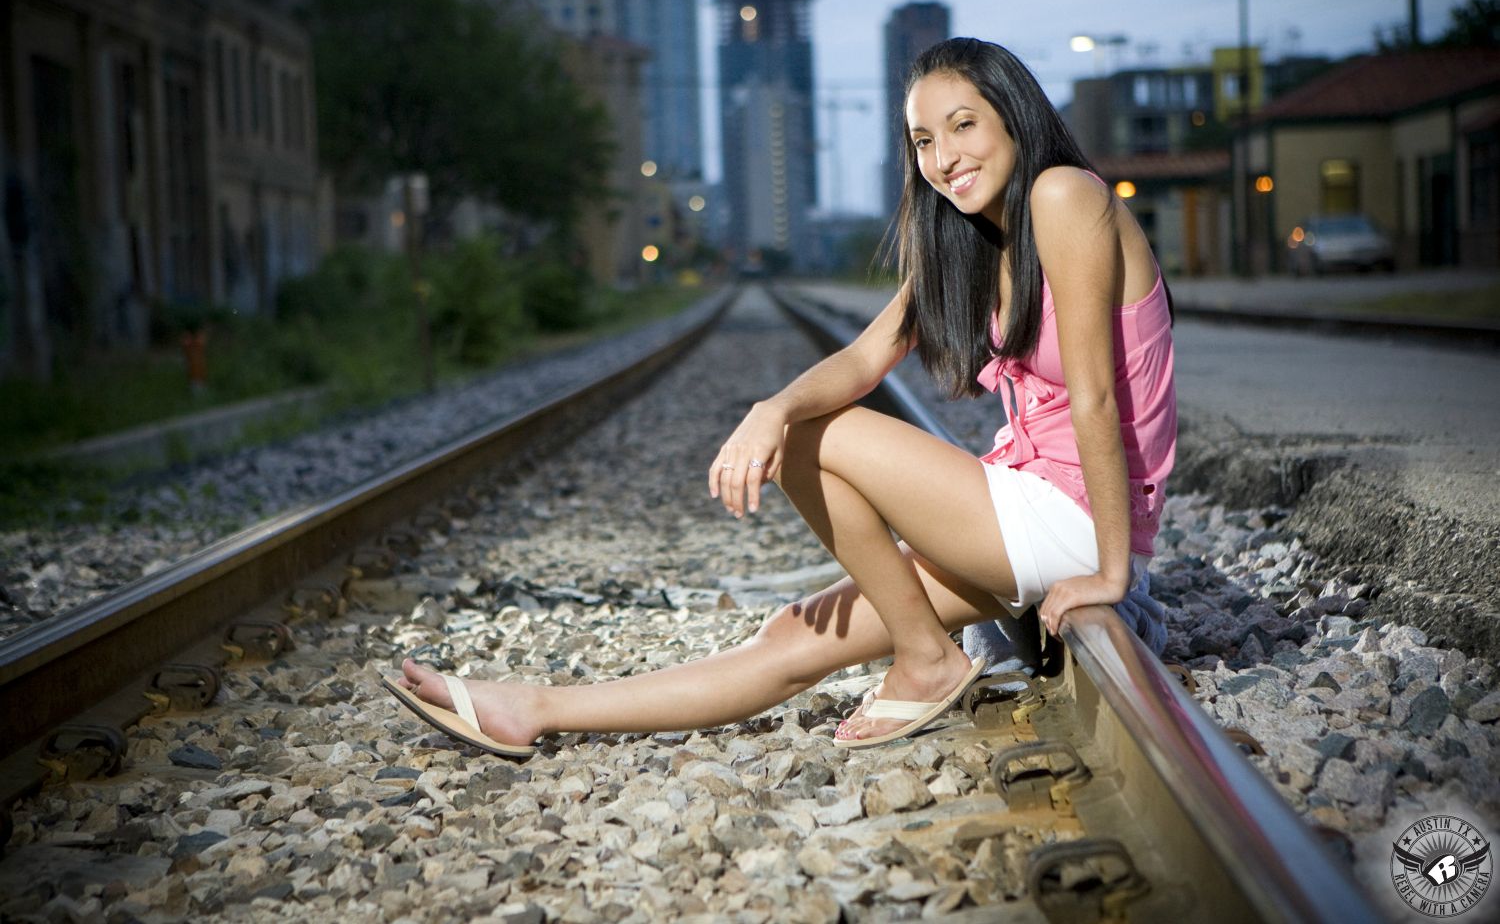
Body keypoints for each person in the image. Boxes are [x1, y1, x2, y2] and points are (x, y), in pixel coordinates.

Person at [385, 37, 1176, 757]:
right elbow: (868, 356)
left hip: (1073, 521)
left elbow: (1097, 401)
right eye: (924, 141)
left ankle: (928, 660)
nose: (944, 158)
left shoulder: (1065, 196)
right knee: (789, 636)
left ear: (1014, 113)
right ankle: (533, 708)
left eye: (963, 125)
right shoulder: (972, 241)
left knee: (812, 437)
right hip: (1028, 515)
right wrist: (768, 406)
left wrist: (1113, 571)